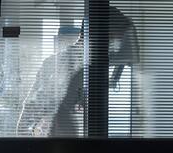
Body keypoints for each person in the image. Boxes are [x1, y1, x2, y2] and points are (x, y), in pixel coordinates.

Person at [17, 7, 138, 137]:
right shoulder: (61, 66)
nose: (114, 46)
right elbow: (25, 123)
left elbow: (131, 55)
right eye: (113, 39)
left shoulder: (91, 65)